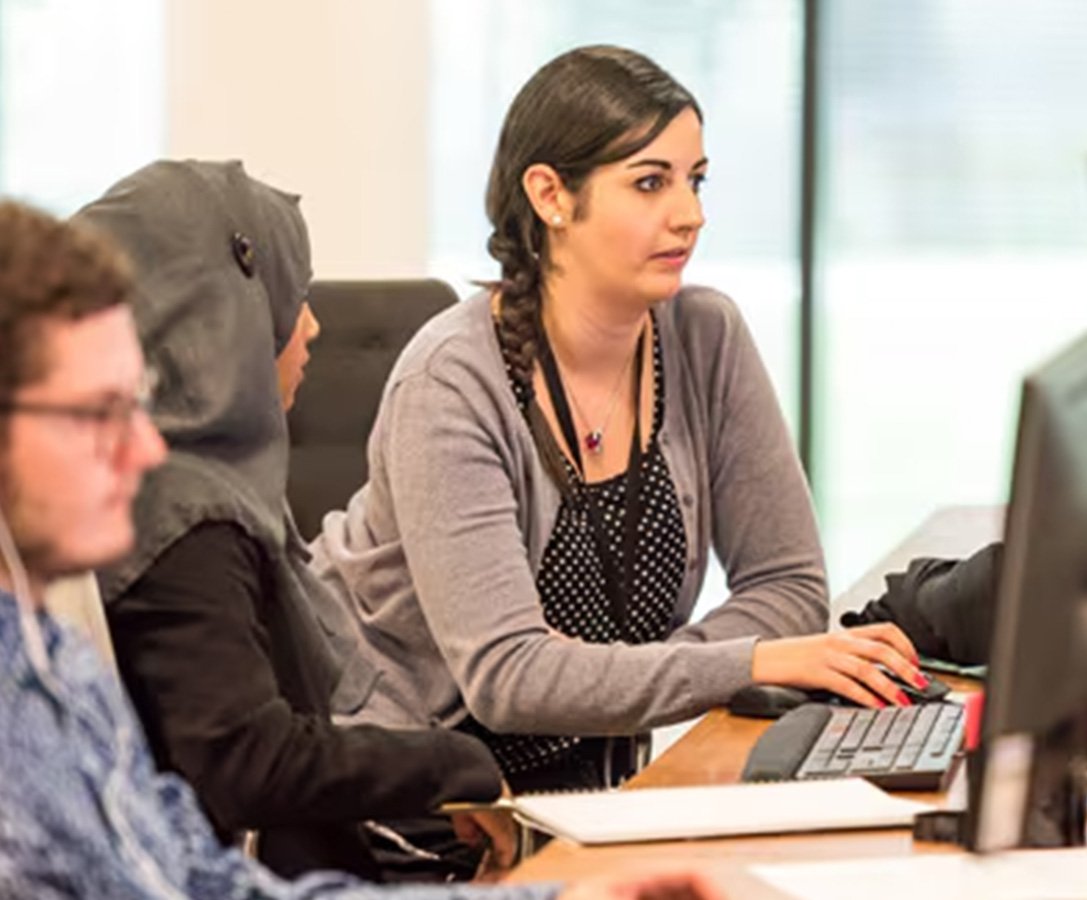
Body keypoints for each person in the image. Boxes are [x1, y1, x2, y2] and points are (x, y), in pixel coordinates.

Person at [0, 198, 725, 900]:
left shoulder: (52, 661)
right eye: (98, 412)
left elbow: (205, 885)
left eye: (135, 402)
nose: (144, 446)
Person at [308, 45, 927, 793]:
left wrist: (642, 675)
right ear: (551, 196)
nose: (690, 215)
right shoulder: (452, 383)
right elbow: (508, 677)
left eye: (695, 181)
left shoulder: (705, 337)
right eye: (649, 183)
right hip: (423, 804)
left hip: (596, 790)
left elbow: (789, 585)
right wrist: (748, 660)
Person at [72, 160, 513, 883]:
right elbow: (246, 763)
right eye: (292, 295)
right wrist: (451, 765)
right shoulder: (187, 518)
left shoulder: (185, 489)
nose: (311, 324)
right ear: (222, 313)